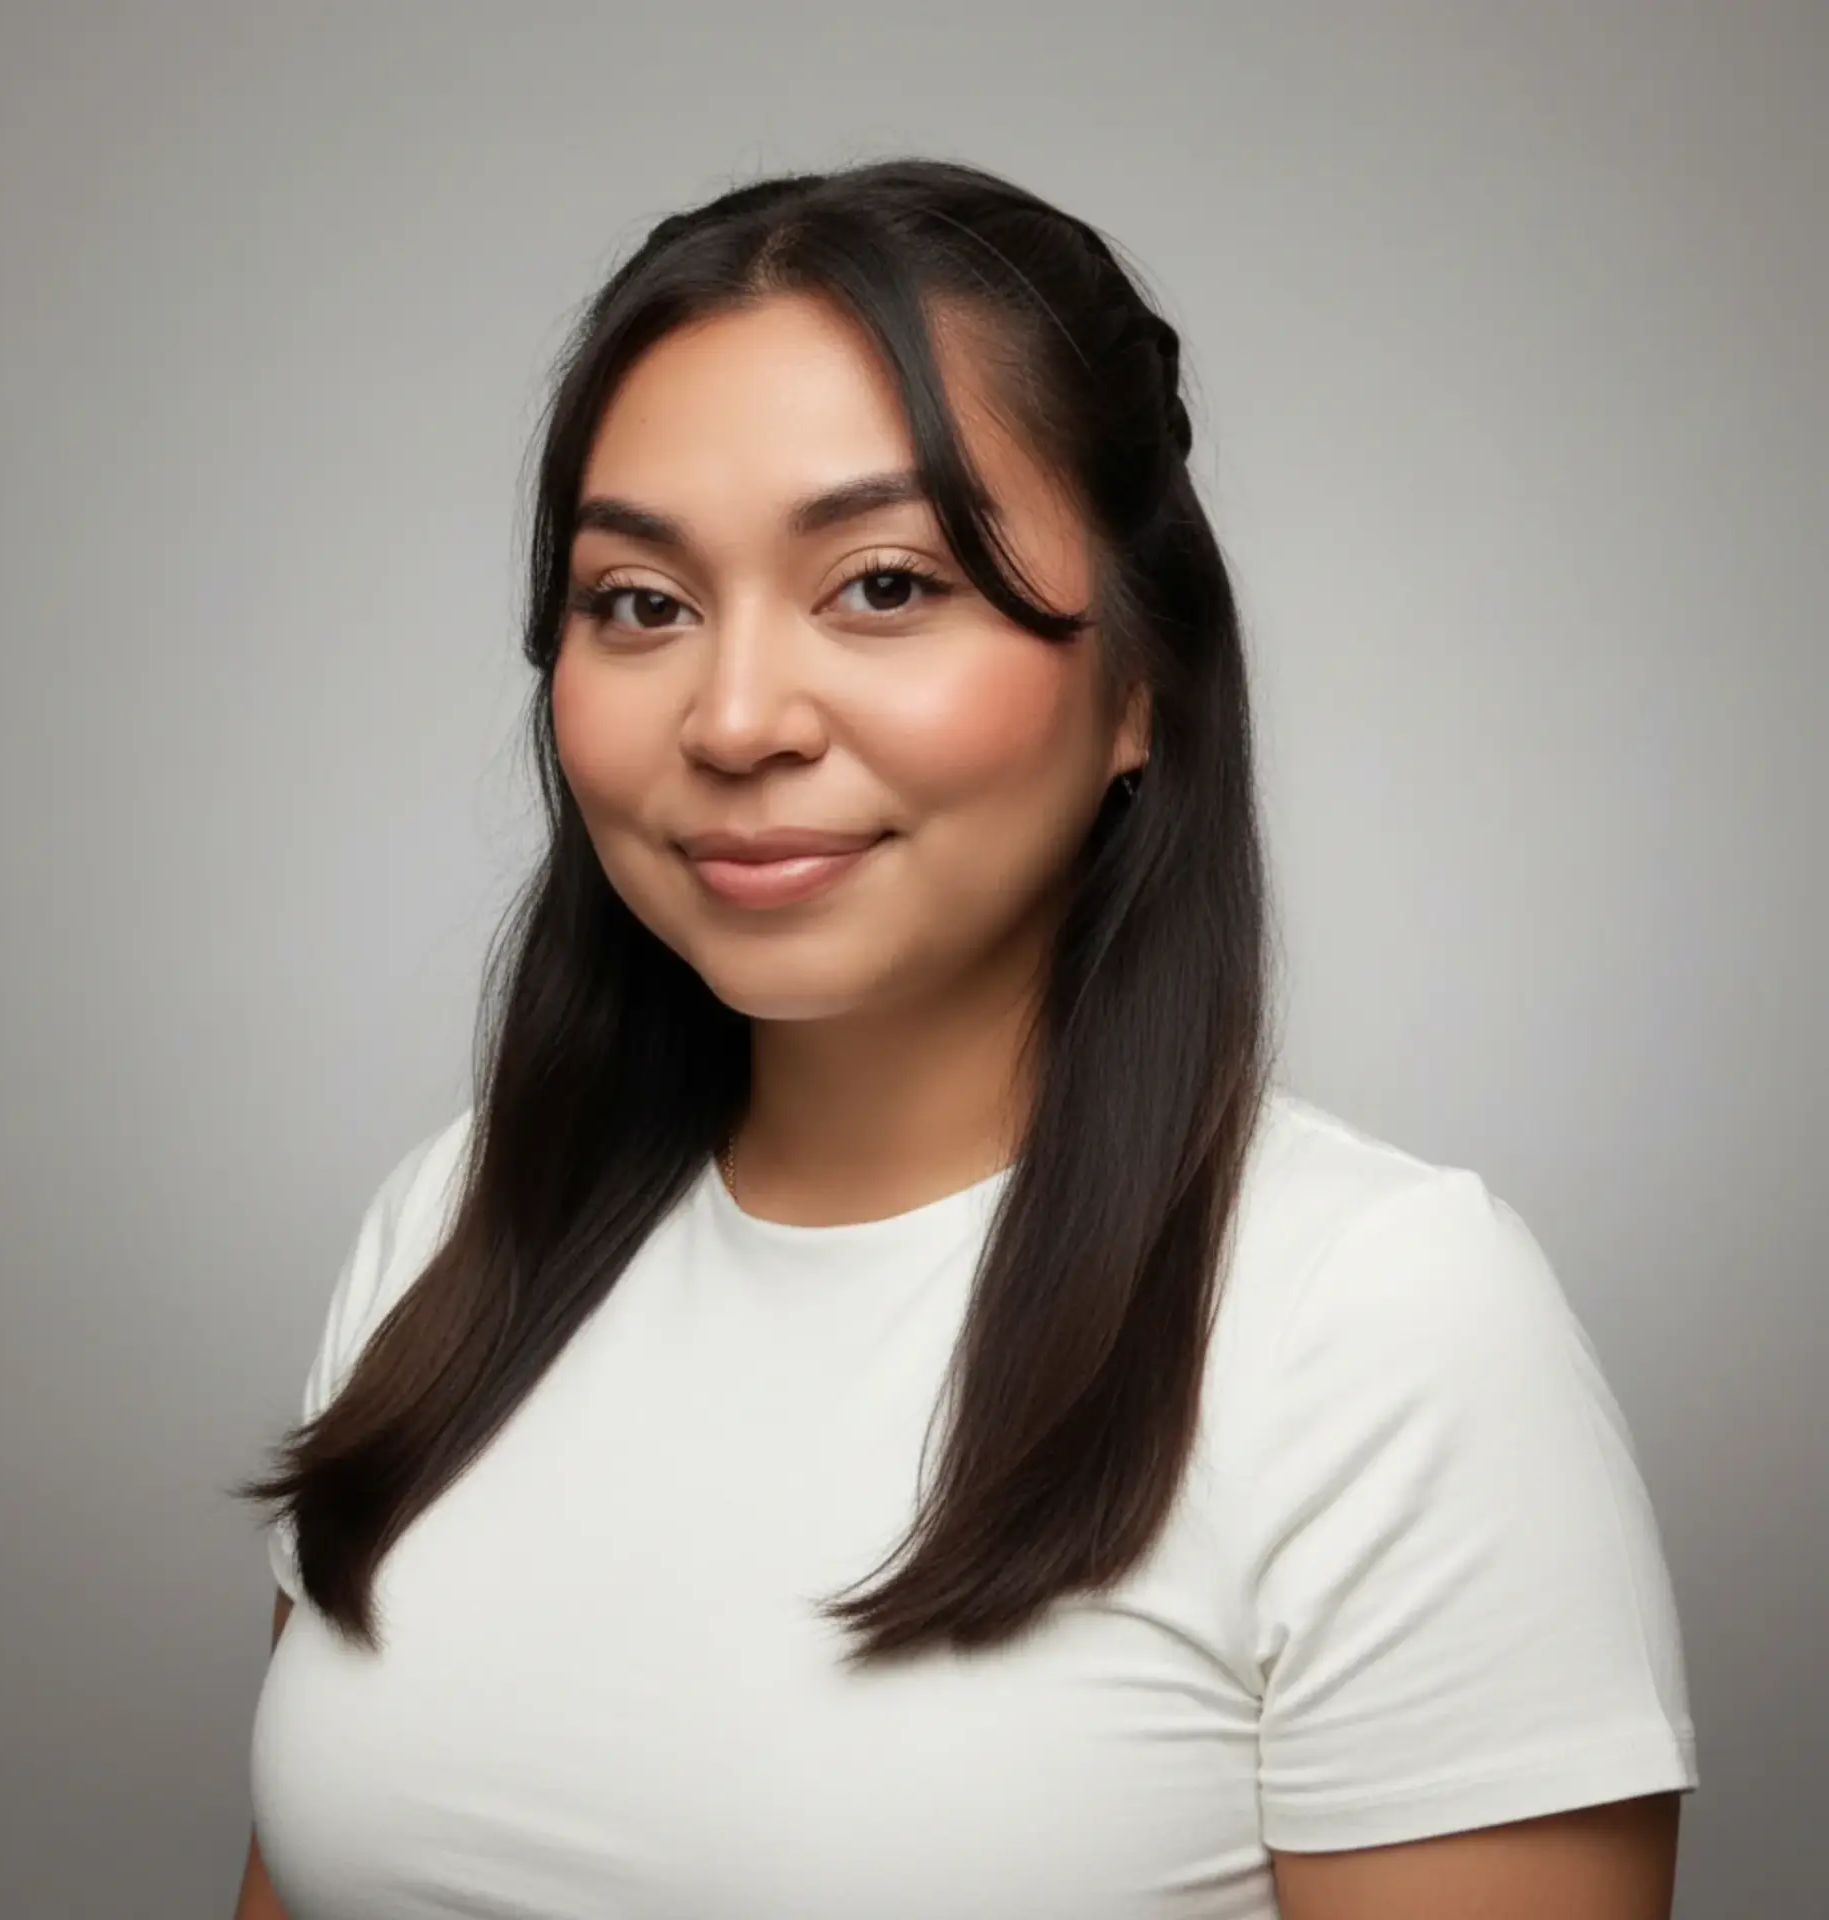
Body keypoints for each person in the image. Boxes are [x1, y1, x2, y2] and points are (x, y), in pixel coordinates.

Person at [232, 158, 1697, 1920]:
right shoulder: (450, 1229)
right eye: (641, 602)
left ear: (1140, 682)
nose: (739, 716)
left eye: (886, 584)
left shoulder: (1375, 1326)